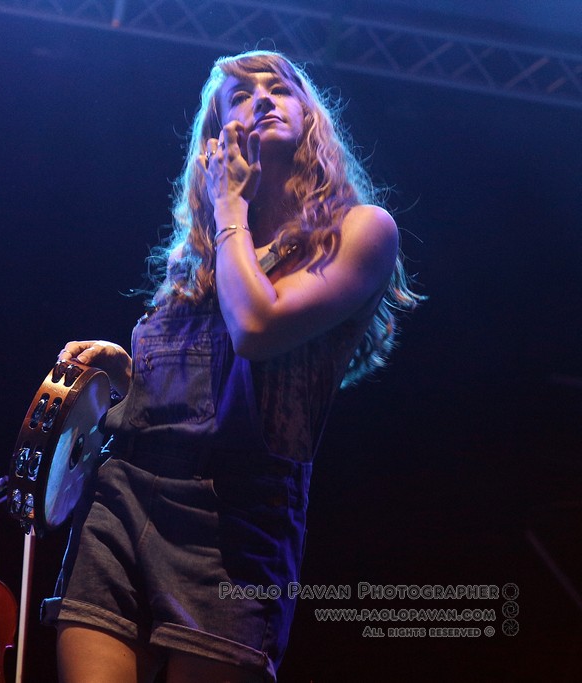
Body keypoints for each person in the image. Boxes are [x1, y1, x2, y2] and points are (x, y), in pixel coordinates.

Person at [51, 50, 422, 682]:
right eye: (242, 97)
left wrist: (230, 210)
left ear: (310, 115)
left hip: (232, 521)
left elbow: (255, 328)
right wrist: (125, 375)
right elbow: (188, 392)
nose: (264, 100)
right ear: (216, 140)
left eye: (280, 88)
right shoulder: (199, 262)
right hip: (122, 498)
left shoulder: (361, 230)